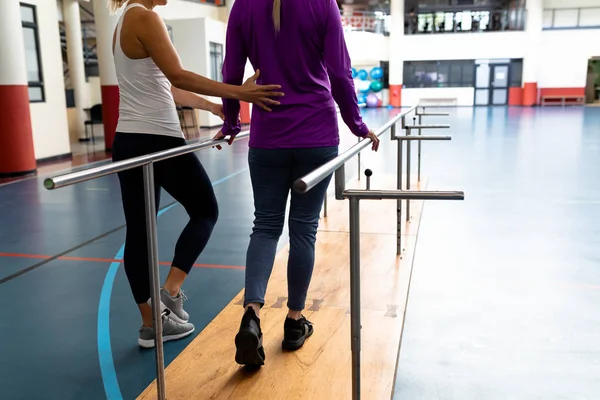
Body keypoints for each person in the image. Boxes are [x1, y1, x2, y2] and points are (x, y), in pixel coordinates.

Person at [107, 0, 284, 348]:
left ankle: (151, 323)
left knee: (140, 231)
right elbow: (178, 75)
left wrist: (218, 107)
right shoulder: (146, 17)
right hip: (155, 139)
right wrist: (239, 92)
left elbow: (166, 87)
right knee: (205, 210)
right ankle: (170, 291)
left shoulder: (122, 21)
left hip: (129, 139)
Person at [214, 0, 379, 366]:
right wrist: (357, 125)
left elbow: (230, 71)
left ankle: (252, 315)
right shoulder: (322, 3)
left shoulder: (243, 5)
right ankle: (293, 321)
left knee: (266, 226)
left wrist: (231, 121)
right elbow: (340, 73)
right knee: (303, 229)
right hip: (316, 134)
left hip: (268, 136)